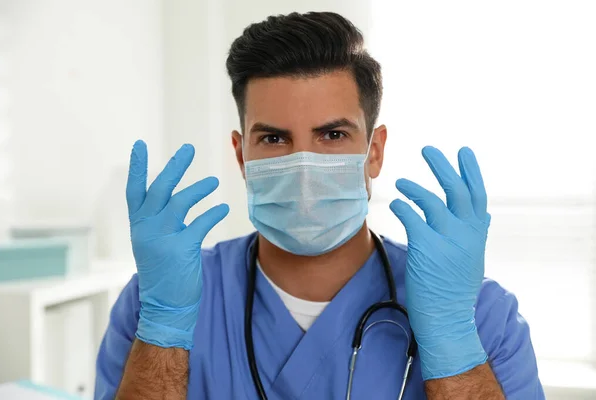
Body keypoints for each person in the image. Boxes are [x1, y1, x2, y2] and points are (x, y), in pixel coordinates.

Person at [95, 11, 544, 400]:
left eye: (332, 135)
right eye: (273, 138)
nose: (303, 165)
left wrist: (451, 340)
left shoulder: (477, 315)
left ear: (374, 151)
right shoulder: (155, 304)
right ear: (241, 156)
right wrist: (166, 330)